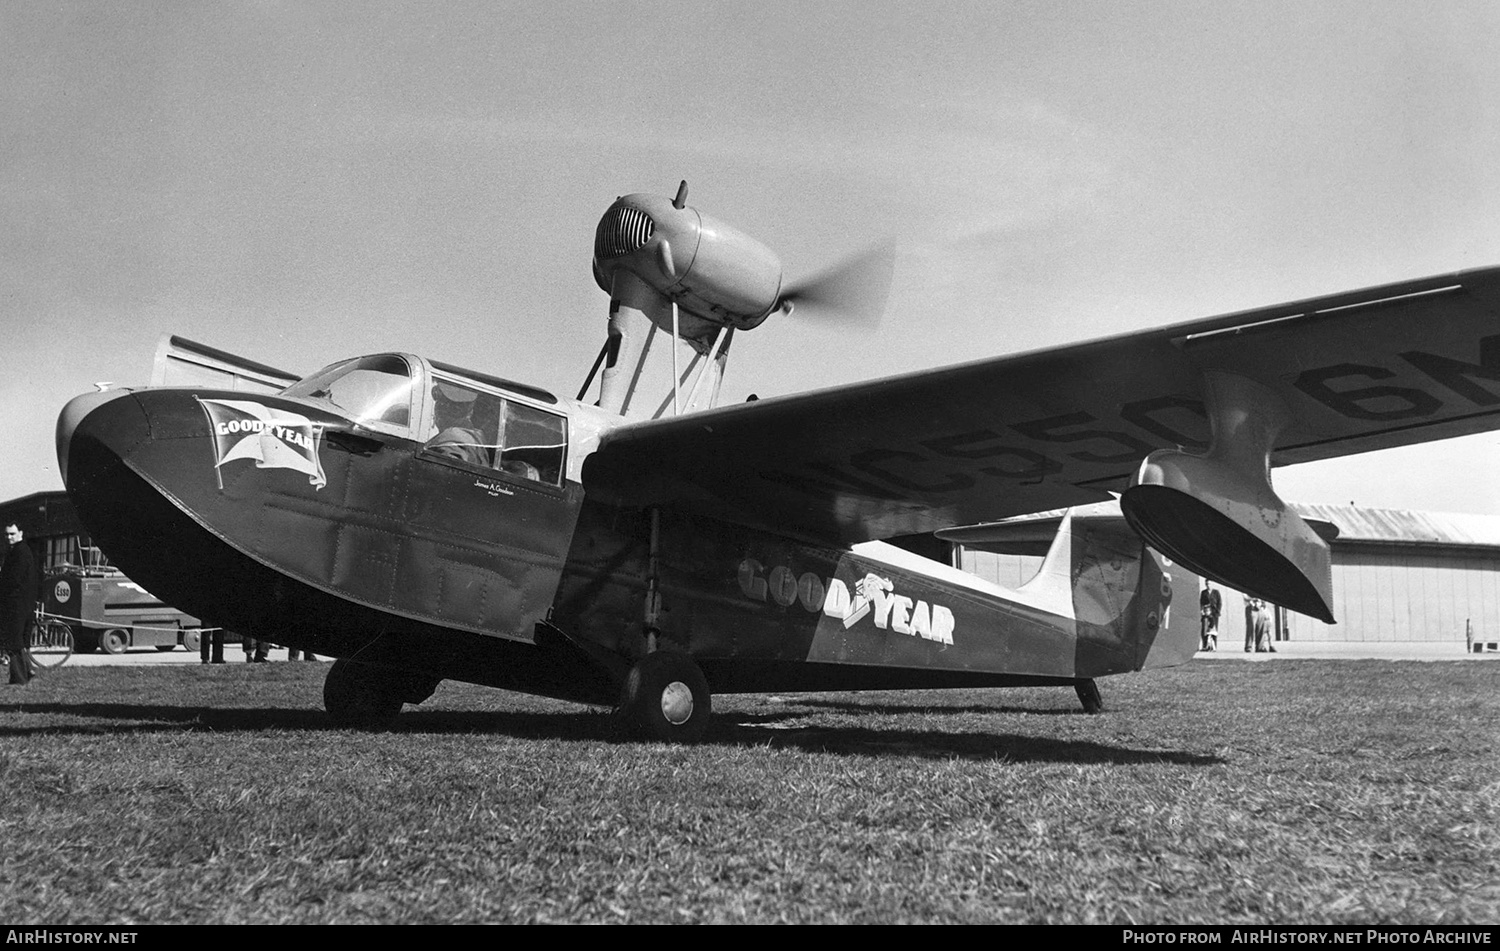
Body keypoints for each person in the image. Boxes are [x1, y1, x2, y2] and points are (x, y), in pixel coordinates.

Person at [0, 523, 39, 685]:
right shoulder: (18, 551)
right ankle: (28, 671)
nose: (9, 537)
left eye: (12, 534)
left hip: (17, 604)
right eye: (7, 534)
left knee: (14, 641)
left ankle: (19, 678)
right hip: (19, 603)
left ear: (21, 533)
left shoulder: (20, 552)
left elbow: (14, 579)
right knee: (17, 641)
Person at [1199, 580, 1222, 651]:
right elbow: (1201, 603)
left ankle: (1214, 646)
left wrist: (1217, 611)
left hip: (1214, 613)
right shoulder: (1203, 592)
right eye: (1206, 584)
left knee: (1214, 630)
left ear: (1212, 584)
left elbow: (1219, 602)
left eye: (1209, 584)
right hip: (1206, 613)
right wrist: (1202, 611)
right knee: (1205, 629)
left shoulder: (1216, 592)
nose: (1208, 585)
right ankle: (1205, 645)